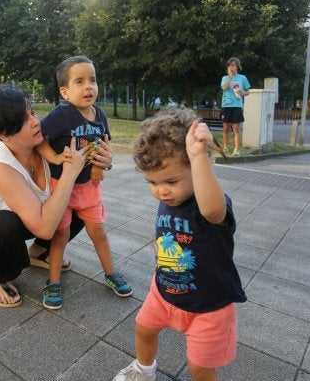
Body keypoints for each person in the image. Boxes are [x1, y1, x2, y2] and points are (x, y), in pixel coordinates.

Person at [114, 108, 246, 381]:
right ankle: (143, 370)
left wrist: (198, 157)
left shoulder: (207, 202)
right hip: (164, 292)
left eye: (171, 181)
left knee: (199, 368)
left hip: (208, 304)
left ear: (196, 169)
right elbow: (167, 230)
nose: (161, 191)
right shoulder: (169, 198)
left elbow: (212, 212)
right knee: (143, 329)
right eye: (152, 182)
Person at [0, 84, 90, 308]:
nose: (36, 122)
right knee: (3, 223)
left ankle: (38, 252)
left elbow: (84, 159)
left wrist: (104, 161)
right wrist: (70, 172)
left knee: (82, 203)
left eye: (33, 112)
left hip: (27, 219)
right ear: (5, 135)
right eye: (24, 121)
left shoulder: (43, 143)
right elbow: (45, 228)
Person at [36, 55, 133, 310]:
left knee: (98, 232)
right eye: (79, 81)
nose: (89, 86)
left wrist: (101, 165)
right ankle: (53, 280)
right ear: (65, 91)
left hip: (90, 187)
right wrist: (55, 156)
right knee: (60, 236)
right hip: (62, 187)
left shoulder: (99, 113)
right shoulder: (61, 114)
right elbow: (39, 139)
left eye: (92, 80)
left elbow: (105, 141)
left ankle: (111, 273)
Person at [220, 57, 250, 157]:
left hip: (237, 106)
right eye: (229, 65)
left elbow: (248, 92)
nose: (231, 67)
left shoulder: (243, 78)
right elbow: (224, 88)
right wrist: (230, 77)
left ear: (237, 66)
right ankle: (225, 148)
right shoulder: (225, 78)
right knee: (225, 129)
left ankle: (236, 150)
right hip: (226, 106)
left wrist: (242, 93)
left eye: (233, 65)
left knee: (236, 129)